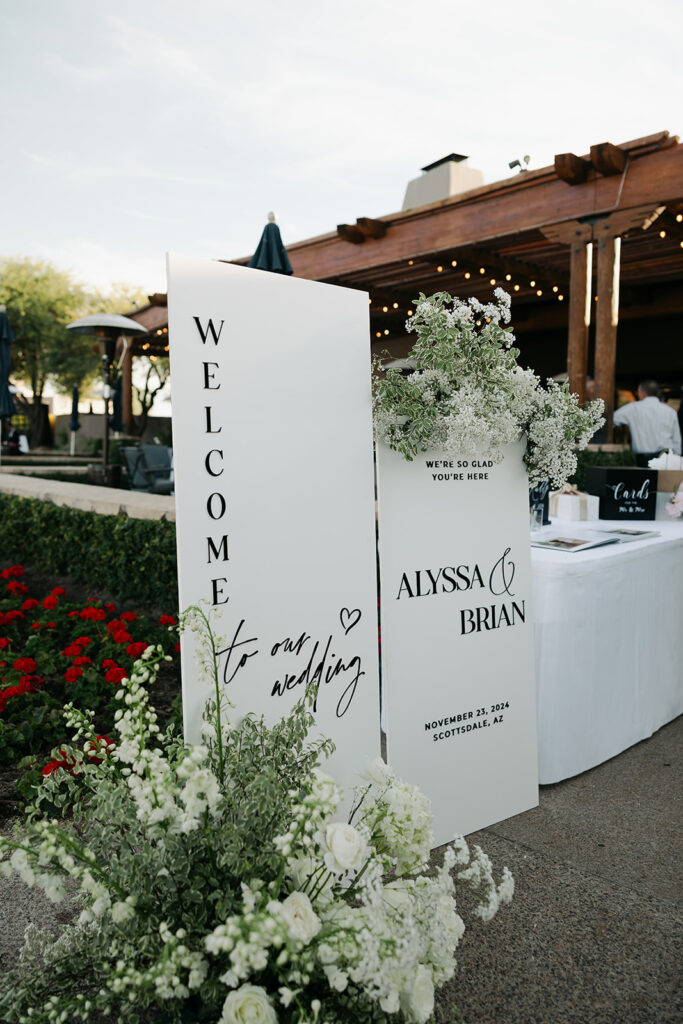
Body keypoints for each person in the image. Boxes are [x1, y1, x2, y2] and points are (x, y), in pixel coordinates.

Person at [613, 380, 682, 465]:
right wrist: (676, 459)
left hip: (643, 460)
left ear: (643, 393)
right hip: (666, 459)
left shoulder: (633, 408)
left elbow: (610, 420)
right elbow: (677, 440)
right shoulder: (670, 412)